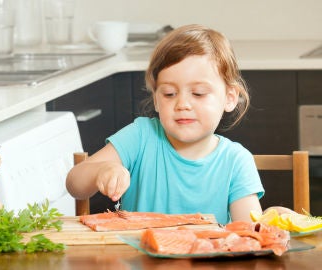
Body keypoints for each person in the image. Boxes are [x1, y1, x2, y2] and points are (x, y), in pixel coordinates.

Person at [66, 24, 265, 224]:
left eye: (198, 93)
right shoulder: (140, 136)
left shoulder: (236, 161)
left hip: (209, 255)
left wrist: (271, 221)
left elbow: (250, 231)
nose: (182, 104)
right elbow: (74, 183)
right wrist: (102, 170)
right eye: (169, 94)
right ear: (156, 99)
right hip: (136, 254)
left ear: (229, 98)